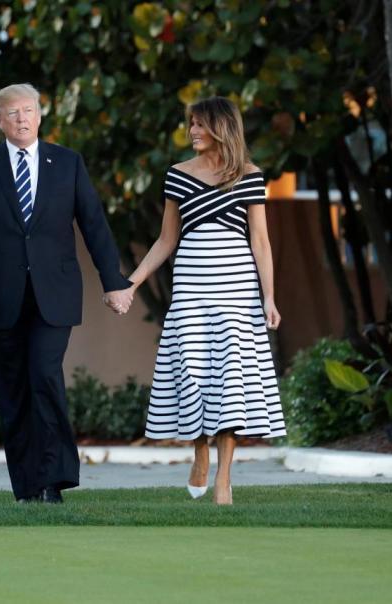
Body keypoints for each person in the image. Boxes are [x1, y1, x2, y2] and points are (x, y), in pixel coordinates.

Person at [0, 83, 133, 504]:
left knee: (45, 376)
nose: (21, 118)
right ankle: (27, 486)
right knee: (12, 389)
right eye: (11, 112)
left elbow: (93, 224)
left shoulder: (67, 163)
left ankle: (55, 479)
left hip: (55, 293)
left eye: (28, 110)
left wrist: (113, 281)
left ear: (40, 115)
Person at [112, 96, 286, 505]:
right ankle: (199, 454)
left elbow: (260, 241)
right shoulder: (177, 175)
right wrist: (131, 284)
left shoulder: (249, 175)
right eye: (190, 124)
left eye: (199, 125)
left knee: (230, 385)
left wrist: (269, 297)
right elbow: (166, 240)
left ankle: (224, 479)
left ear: (220, 127)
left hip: (236, 291)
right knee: (191, 373)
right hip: (190, 288)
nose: (191, 131)